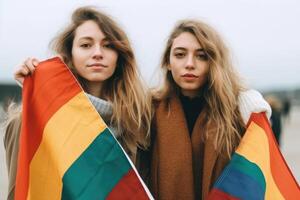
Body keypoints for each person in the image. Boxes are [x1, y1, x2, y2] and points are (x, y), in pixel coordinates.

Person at [3, 6, 152, 200]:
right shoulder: (35, 122)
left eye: (108, 45)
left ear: (120, 56)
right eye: (86, 45)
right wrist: (37, 96)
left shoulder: (137, 121)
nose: (98, 53)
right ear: (70, 54)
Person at [146, 19, 272, 200]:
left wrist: (253, 111)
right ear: (167, 61)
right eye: (180, 55)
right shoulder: (149, 110)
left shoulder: (235, 112)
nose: (190, 64)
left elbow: (261, 172)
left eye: (202, 56)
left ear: (214, 61)